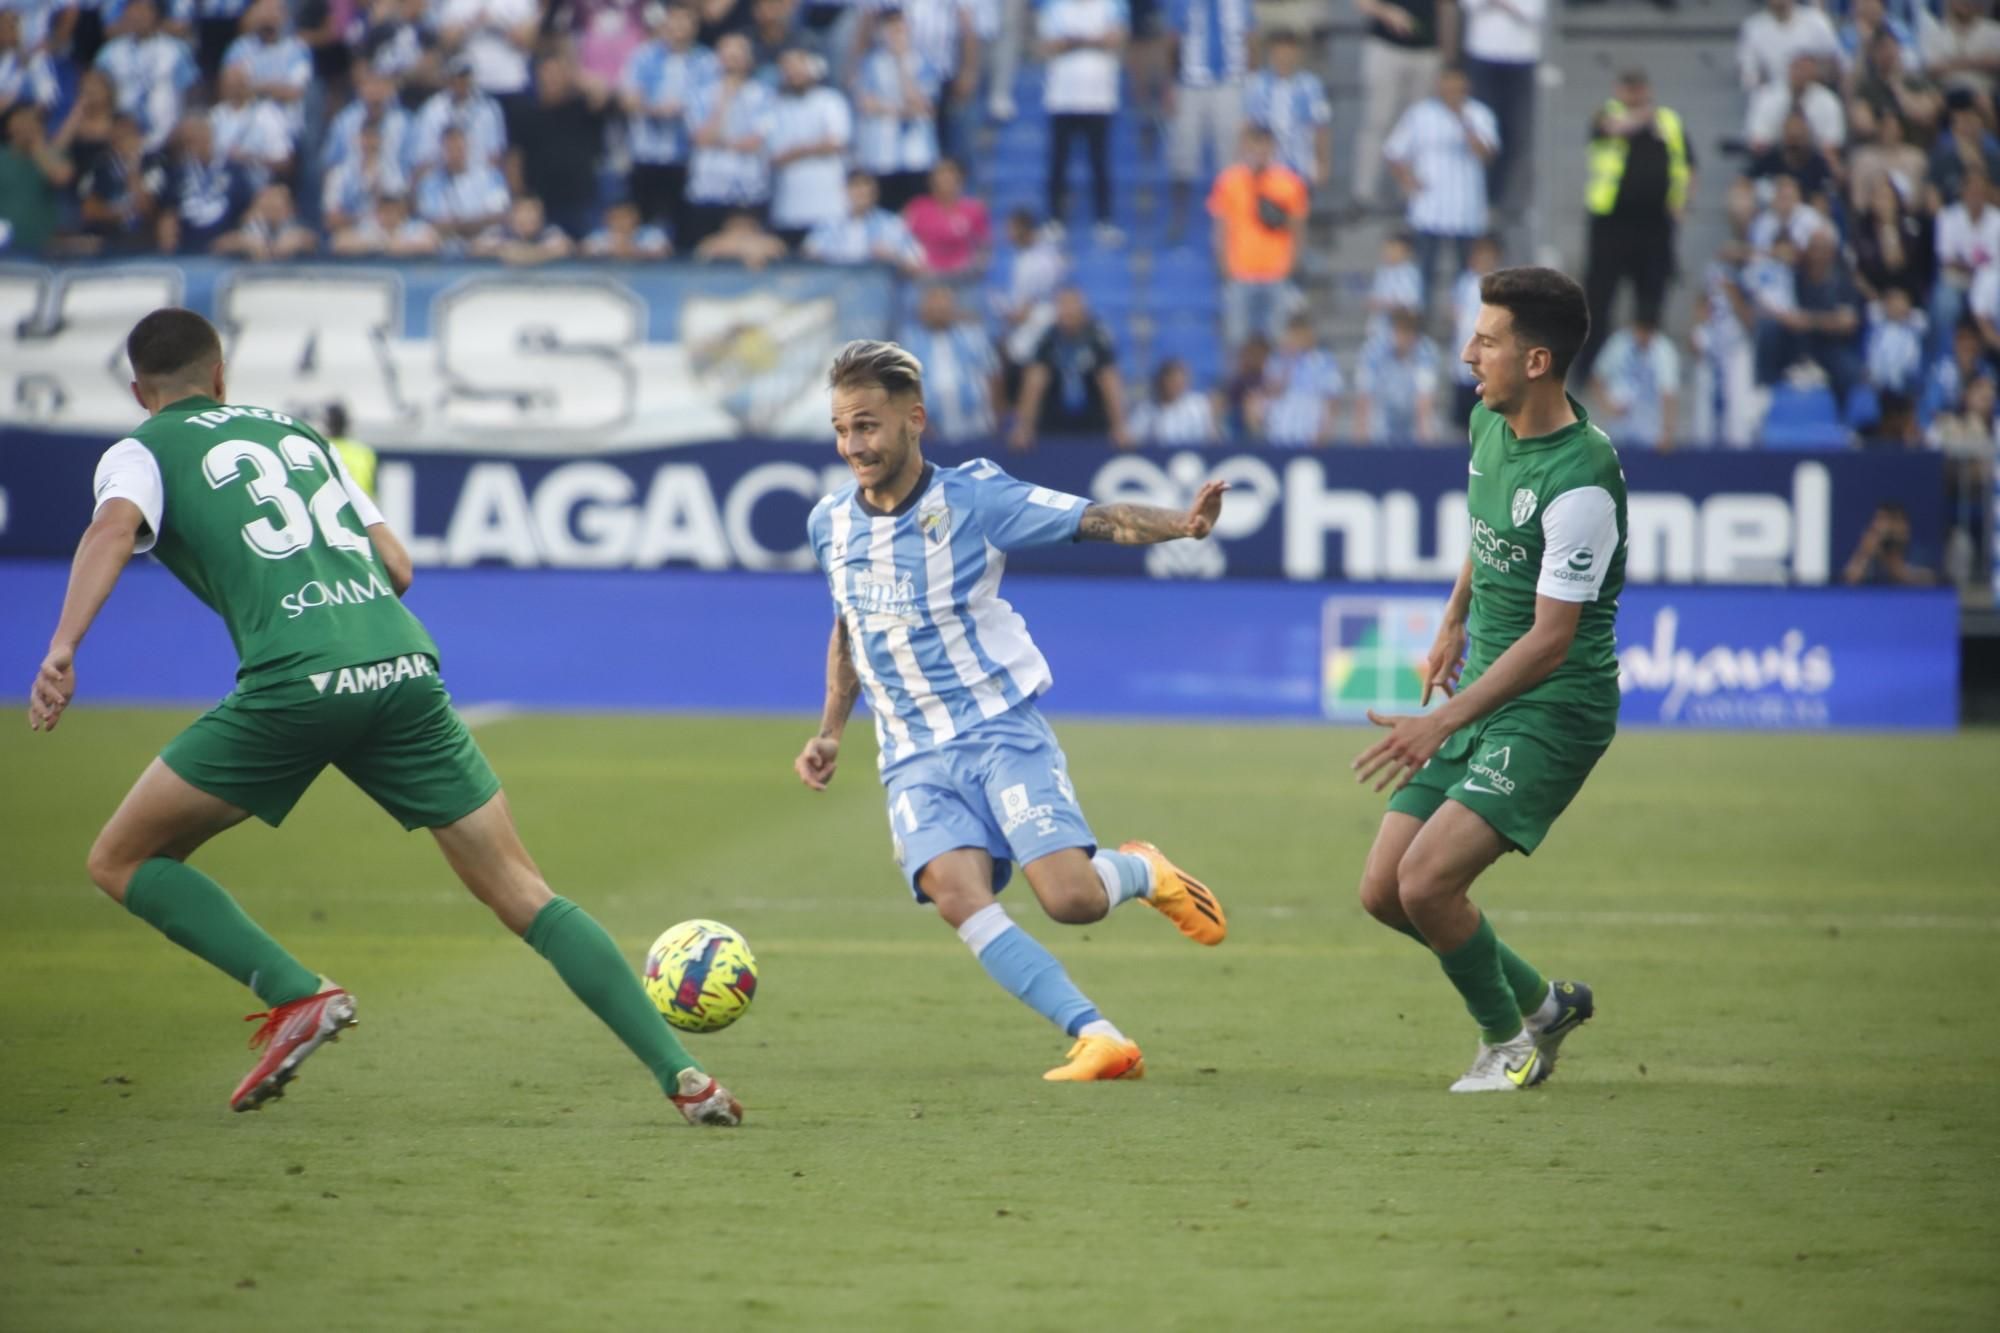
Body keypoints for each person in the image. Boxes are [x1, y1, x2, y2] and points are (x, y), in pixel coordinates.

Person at [27, 308, 743, 1127]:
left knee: (121, 858)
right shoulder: (300, 436)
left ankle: (296, 992)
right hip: (404, 666)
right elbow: (396, 566)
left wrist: (62, 646)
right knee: (523, 891)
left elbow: (111, 529)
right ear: (221, 376)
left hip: (295, 681)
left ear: (138, 391)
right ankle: (685, 1076)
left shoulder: (140, 450)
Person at [794, 339, 1230, 1081]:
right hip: (911, 754)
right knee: (954, 894)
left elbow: (1098, 518)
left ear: (914, 420)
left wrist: (1181, 527)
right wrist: (831, 729)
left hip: (998, 729)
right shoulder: (829, 523)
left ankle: (1140, 869)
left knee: (1070, 900)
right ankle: (1098, 1036)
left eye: (867, 425)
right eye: (841, 428)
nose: (853, 445)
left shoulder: (975, 500)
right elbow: (849, 628)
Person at [1351, 265, 1615, 1094]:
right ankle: (1543, 1003)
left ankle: (1510, 1047)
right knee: (1384, 893)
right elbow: (1487, 526)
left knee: (1428, 882)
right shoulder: (1486, 425)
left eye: (1489, 340)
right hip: (1482, 689)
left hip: (1551, 707)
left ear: (1536, 361)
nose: (1470, 354)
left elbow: (1550, 642)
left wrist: (1438, 721)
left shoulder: (1583, 478)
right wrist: (1455, 615)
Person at [1575, 70, 1694, 383]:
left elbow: (1687, 164)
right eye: (1629, 89)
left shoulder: (1669, 122)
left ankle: (1648, 371)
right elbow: (1612, 128)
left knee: (1651, 296)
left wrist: (1683, 202)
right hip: (1612, 223)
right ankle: (1588, 369)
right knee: (1599, 299)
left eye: (1640, 88)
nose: (1635, 94)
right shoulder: (1608, 113)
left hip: (1655, 224)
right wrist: (1646, 116)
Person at [1383, 65, 1499, 313]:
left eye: (1458, 87)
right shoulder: (1420, 114)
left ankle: (1464, 325)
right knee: (1423, 274)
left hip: (1467, 211)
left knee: (1466, 277)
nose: (1453, 92)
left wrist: (1464, 123)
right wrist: (1407, 180)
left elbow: (1487, 155)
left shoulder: (1479, 115)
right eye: (1448, 86)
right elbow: (1394, 151)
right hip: (1429, 209)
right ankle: (1422, 327)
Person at [621, 2, 718, 241]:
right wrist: (652, 109)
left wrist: (683, 109)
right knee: (644, 219)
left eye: (684, 22)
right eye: (673, 21)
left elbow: (711, 104)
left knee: (684, 221)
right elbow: (629, 98)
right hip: (646, 152)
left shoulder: (707, 61)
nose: (678, 28)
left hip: (687, 154)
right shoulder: (644, 56)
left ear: (695, 26)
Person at [1208, 124, 1308, 352]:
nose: (1259, 151)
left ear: (1273, 148)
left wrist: (1292, 263)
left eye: (1265, 145)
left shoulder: (1289, 184)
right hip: (1240, 271)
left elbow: (1297, 227)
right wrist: (1224, 263)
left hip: (1276, 272)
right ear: (1245, 146)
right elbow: (1220, 225)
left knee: (1279, 340)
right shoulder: (1229, 182)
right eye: (1254, 144)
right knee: (1236, 340)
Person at [1038, 0, 1127, 246]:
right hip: (1062, 98)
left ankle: (1104, 221)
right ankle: (1054, 220)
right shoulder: (1055, 7)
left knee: (1100, 163)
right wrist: (1092, 41)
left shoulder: (1111, 5)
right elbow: (1049, 46)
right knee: (1058, 162)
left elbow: (1115, 40)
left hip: (1099, 99)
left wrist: (1073, 41)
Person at [1163, 0, 1252, 235]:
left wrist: (1251, 83)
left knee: (1231, 158)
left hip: (1231, 82)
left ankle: (1231, 221)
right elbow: (1173, 40)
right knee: (1183, 153)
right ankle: (1178, 218)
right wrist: (1171, 83)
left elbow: (1249, 38)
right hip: (1190, 83)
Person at [1351, 0, 1448, 214]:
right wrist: (1387, 12)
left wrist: (1446, 52)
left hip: (1426, 50)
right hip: (1387, 46)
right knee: (1377, 122)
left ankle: (1409, 192)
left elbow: (1445, 7)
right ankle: (1364, 193)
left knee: (1419, 127)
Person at [683, 32, 776, 249]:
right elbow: (701, 137)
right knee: (706, 248)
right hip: (708, 187)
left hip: (748, 189)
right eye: (727, 51)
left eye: (739, 51)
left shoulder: (763, 94)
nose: (732, 56)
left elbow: (755, 142)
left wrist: (721, 142)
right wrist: (723, 100)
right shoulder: (700, 94)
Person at [507, 52, 613, 240]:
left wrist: (576, 76)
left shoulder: (582, 107)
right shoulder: (525, 113)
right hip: (540, 203)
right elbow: (515, 158)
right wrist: (519, 198)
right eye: (547, 73)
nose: (552, 78)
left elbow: (601, 94)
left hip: (581, 200)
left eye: (557, 73)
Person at [1010, 287, 1131, 447]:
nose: (1068, 312)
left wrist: (1119, 426)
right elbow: (1034, 384)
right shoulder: (1048, 341)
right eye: (1063, 306)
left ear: (1083, 309)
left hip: (1093, 427)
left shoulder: (1097, 340)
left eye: (1072, 306)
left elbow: (1109, 382)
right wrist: (1024, 427)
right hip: (1052, 428)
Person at [851, 7, 939, 213]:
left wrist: (901, 63)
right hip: (880, 156)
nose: (895, 34)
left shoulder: (924, 63)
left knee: (916, 214)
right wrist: (902, 109)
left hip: (917, 156)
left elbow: (920, 104)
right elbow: (865, 104)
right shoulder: (869, 64)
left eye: (899, 28)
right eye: (890, 29)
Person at [1459, 0, 1542, 217]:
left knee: (1513, 132)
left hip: (1523, 57)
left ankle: (1500, 196)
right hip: (1482, 55)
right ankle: (1477, 194)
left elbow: (1537, 12)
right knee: (1480, 130)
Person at [767, 45, 851, 247]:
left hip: (828, 207)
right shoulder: (774, 106)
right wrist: (814, 147)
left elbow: (836, 143)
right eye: (788, 67)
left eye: (799, 66)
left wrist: (797, 150)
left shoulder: (831, 101)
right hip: (788, 207)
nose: (794, 72)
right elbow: (774, 157)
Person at [896, 282, 1001, 442]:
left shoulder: (973, 336)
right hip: (930, 434)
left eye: (944, 303)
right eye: (933, 304)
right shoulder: (908, 342)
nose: (939, 310)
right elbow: (901, 388)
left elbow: (993, 377)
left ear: (953, 307)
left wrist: (995, 419)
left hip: (977, 428)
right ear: (922, 309)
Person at [93, 0, 198, 153]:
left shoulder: (176, 50)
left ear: (155, 14)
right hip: (118, 140)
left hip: (167, 141)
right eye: (133, 9)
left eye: (143, 10)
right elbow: (96, 93)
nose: (137, 15)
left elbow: (192, 94)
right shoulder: (109, 53)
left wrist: (181, 130)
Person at [1242, 26, 1330, 194]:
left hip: (1300, 167)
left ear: (1297, 54)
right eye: (1279, 53)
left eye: (1288, 52)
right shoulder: (1257, 85)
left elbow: (1321, 128)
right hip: (1265, 168)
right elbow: (1248, 125)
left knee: (1295, 213)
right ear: (1271, 54)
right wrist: (1245, 160)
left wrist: (1322, 163)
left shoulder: (1311, 85)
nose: (1283, 58)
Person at [803, 168, 927, 271]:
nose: (861, 191)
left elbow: (919, 267)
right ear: (846, 191)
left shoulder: (893, 224)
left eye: (866, 185)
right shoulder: (828, 225)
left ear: (875, 191)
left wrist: (893, 260)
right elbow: (808, 258)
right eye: (855, 185)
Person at [1588, 319, 1680, 452]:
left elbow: (1668, 394)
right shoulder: (1618, 344)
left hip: (1650, 431)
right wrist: (1608, 407)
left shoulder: (1664, 350)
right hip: (1619, 428)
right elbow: (1596, 379)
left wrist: (1667, 431)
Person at [1252, 312, 1344, 445]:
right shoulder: (1277, 359)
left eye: (1301, 334)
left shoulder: (1324, 361)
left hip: (1310, 431)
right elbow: (1271, 391)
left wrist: (1324, 431)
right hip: (1281, 431)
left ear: (1310, 334)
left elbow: (1332, 399)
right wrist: (1289, 361)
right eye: (1294, 334)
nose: (1297, 339)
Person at [417, 125, 511, 249]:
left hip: (484, 240)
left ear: (467, 146)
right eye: (450, 148)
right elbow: (433, 221)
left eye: (459, 147)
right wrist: (467, 224)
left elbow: (498, 215)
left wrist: (461, 225)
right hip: (444, 243)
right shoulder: (430, 182)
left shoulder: (490, 176)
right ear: (442, 150)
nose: (455, 153)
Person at [1356, 308, 1441, 443]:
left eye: (1409, 332)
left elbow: (1424, 401)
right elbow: (1365, 397)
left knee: (1430, 427)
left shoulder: (1426, 353)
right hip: (1382, 421)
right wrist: (1361, 440)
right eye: (1400, 331)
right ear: (1393, 330)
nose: (1404, 338)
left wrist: (1426, 447)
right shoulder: (1373, 352)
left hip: (1413, 421)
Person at [0, 102, 73, 256]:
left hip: (42, 246)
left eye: (34, 120)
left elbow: (60, 177)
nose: (27, 125)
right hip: (4, 245)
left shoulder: (54, 153)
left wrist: (37, 146)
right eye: (22, 119)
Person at [903, 156, 991, 279]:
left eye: (951, 173)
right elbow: (904, 240)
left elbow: (984, 244)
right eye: (941, 174)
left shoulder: (974, 210)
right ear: (932, 180)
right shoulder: (917, 207)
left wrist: (976, 266)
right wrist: (912, 263)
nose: (946, 179)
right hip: (927, 277)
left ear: (960, 179)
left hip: (962, 277)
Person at [1449, 234, 1500, 428]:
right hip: (1463, 367)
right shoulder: (1464, 284)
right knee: (1463, 422)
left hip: (1489, 369)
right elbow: (1456, 315)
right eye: (1480, 256)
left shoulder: (1499, 286)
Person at [1738, 0, 1839, 95]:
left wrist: (1807, 73)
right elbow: (1749, 77)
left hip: (1814, 93)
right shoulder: (1753, 28)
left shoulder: (1816, 22)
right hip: (1772, 95)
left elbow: (1836, 65)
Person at [211, 181, 317, 260]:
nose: (271, 204)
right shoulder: (248, 226)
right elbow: (218, 245)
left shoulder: (297, 227)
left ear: (289, 208)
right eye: (267, 200)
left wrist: (298, 241)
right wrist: (245, 242)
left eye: (277, 201)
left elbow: (313, 242)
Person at [1842, 500, 1935, 584]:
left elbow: (1928, 579)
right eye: (1879, 519)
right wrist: (1864, 553)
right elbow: (1851, 580)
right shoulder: (1871, 553)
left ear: (1904, 525)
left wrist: (1889, 561)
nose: (1882, 527)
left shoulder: (1919, 553)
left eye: (1888, 520)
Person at [1130, 357, 1220, 443]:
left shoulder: (1199, 405)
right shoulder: (1145, 410)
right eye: (1171, 381)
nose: (1175, 386)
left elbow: (1212, 438)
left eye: (1179, 381)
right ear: (1161, 381)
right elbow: (1132, 439)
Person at [473, 193, 576, 264]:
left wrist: (519, 254)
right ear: (511, 216)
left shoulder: (550, 232)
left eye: (532, 212)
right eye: (523, 212)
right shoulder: (498, 232)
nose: (528, 217)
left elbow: (564, 247)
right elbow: (477, 247)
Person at [583, 197, 673, 257]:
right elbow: (583, 252)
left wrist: (632, 251)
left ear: (636, 217)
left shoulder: (651, 234)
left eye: (624, 217)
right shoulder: (598, 237)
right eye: (615, 217)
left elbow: (665, 252)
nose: (620, 222)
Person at [323, 402, 378, 497]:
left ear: (326, 424)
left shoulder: (322, 449)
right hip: (359, 507)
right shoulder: (364, 452)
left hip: (333, 507)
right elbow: (372, 489)